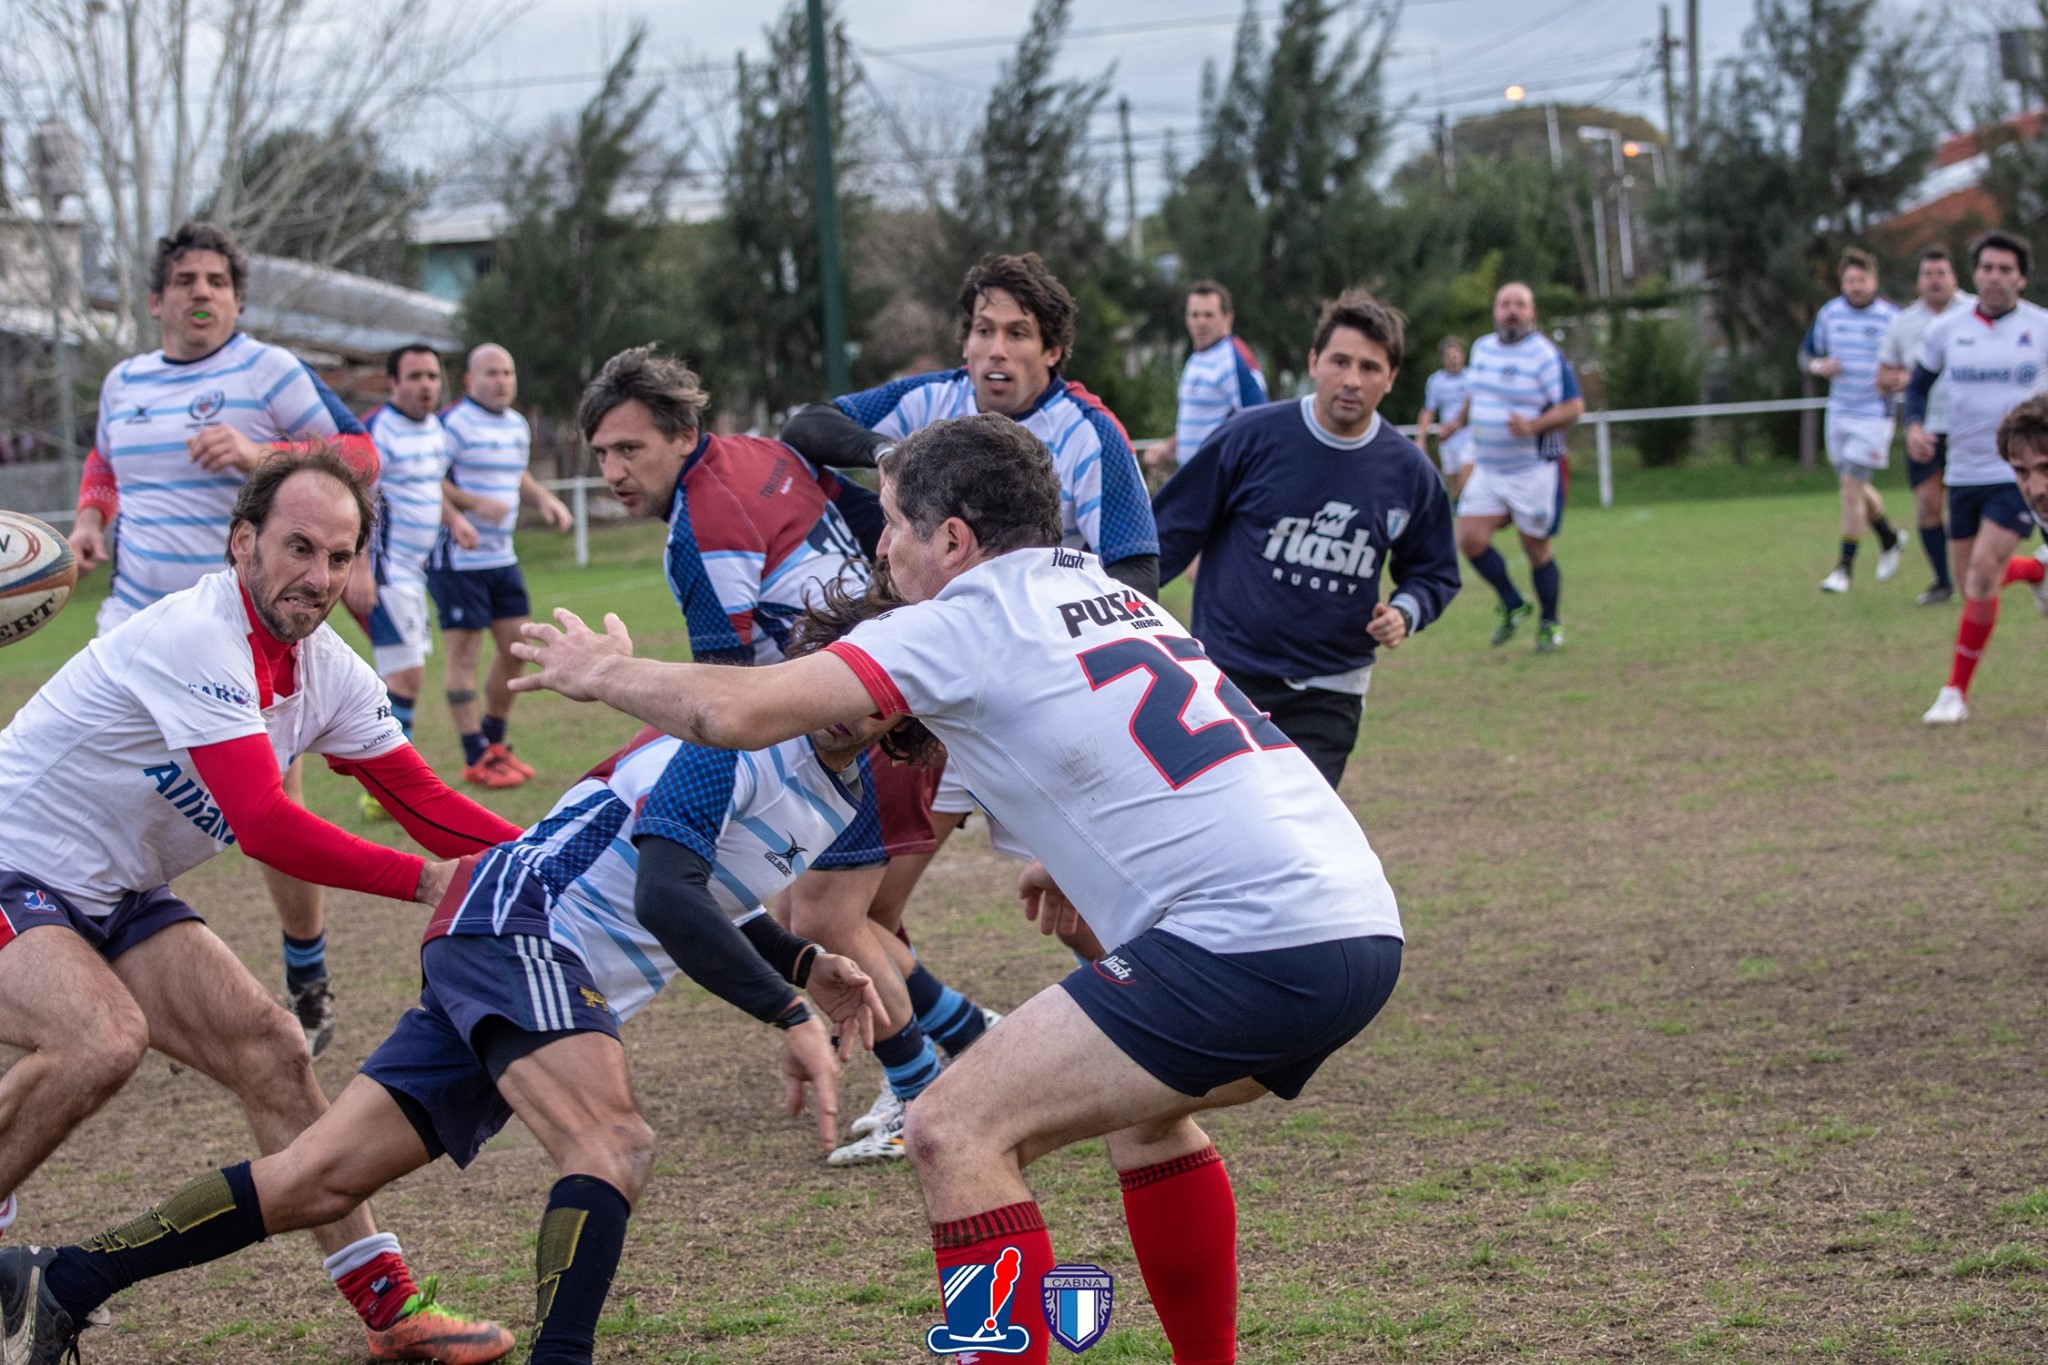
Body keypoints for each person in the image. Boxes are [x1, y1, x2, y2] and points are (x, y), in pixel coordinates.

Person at [505, 412, 1406, 1365]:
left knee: (951, 1127)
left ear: (954, 540)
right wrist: (1060, 858)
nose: (880, 545)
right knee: (1147, 1116)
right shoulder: (1105, 591)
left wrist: (602, 671)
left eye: (892, 522)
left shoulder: (961, 618)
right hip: (1356, 921)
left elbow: (734, 711)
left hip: (1246, 940)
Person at [0, 634, 913, 1365]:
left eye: (882, 692)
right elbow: (666, 892)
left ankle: (65, 1281)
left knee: (316, 1175)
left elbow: (698, 881)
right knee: (612, 1139)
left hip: (526, 943)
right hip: (527, 928)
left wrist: (797, 962)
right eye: (847, 675)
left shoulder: (837, 794)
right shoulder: (742, 732)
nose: (856, 705)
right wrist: (786, 1011)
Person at [0, 450, 523, 1362]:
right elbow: (266, 824)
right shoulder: (198, 634)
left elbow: (425, 802)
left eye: (338, 555)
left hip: (114, 893)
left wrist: (540, 863)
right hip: (12, 861)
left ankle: (391, 1315)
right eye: (297, 547)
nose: (317, 576)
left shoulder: (325, 669)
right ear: (243, 541)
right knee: (100, 1038)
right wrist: (421, 881)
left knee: (272, 1048)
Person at [578, 345, 989, 1167]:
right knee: (837, 916)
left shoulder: (704, 526)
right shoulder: (762, 455)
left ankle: (921, 1087)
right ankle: (969, 1041)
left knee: (831, 917)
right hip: (878, 683)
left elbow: (719, 695)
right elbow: (865, 519)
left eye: (631, 449)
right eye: (600, 455)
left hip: (854, 711)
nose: (614, 471)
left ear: (683, 432)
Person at [64, 221, 383, 1058]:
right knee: (97, 803)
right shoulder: (122, 380)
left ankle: (306, 969)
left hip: (245, 636)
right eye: (186, 280)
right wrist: (91, 520)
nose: (201, 292)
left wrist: (260, 452)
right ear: (156, 299)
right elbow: (105, 463)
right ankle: (79, 973)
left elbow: (359, 452)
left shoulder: (267, 370)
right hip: (134, 627)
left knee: (269, 815)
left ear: (236, 298)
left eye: (217, 280)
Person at [1154, 291, 1459, 787]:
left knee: (1290, 834)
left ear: (1392, 378)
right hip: (1226, 678)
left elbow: (1434, 571)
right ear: (1315, 362)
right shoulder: (1250, 437)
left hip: (1330, 691)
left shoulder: (1410, 474)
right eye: (1340, 361)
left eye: (1370, 367)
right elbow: (1167, 535)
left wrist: (1406, 610)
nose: (1352, 380)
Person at [1908, 230, 2048, 724]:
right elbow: (1919, 385)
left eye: (2005, 270)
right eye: (1986, 268)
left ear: (2021, 277)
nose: (1994, 277)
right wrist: (1915, 426)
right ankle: (2036, 571)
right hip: (1963, 471)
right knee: (1974, 584)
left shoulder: (2042, 327)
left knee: (1984, 572)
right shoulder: (1947, 329)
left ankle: (1954, 692)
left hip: (2020, 474)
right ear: (1976, 274)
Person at [427, 343, 573, 789]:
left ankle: (494, 742)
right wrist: (472, 506)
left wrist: (544, 498)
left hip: (502, 558)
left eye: (508, 372)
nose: (501, 380)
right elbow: (427, 479)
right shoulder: (449, 424)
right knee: (465, 655)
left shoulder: (516, 426)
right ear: (471, 380)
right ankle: (474, 755)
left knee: (517, 651)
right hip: (457, 560)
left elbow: (518, 475)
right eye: (491, 373)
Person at [351, 345, 464, 820]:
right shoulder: (375, 430)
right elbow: (354, 498)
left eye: (433, 376)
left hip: (414, 573)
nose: (426, 385)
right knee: (405, 675)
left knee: (404, 676)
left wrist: (455, 518)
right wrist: (356, 568)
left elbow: (426, 487)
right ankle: (383, 789)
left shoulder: (436, 429)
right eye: (415, 376)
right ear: (392, 383)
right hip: (384, 570)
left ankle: (384, 782)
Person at [1456, 282, 1584, 652]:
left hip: (1534, 469)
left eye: (1520, 305)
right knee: (1470, 539)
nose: (1512, 311)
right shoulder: (1481, 349)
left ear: (1532, 313)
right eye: (1505, 304)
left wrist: (1533, 426)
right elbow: (1476, 396)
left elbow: (1574, 407)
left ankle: (1549, 623)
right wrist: (1460, 429)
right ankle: (1513, 602)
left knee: (1536, 549)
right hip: (1489, 468)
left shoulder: (1546, 355)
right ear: (1495, 311)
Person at [1803, 247, 1906, 593]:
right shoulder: (1830, 314)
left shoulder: (1892, 317)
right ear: (1842, 282)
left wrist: (1900, 378)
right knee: (1854, 488)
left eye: (1861, 280)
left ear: (1874, 281)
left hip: (1874, 415)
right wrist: (1820, 366)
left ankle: (1843, 569)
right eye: (1849, 280)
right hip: (1839, 412)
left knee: (1850, 488)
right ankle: (1890, 538)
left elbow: (1918, 362)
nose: (1855, 286)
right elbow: (1807, 355)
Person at [1877, 245, 1974, 605]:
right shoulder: (1903, 323)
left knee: (1978, 504)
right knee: (1927, 506)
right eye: (1927, 274)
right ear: (1918, 281)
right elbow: (1883, 377)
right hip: (1926, 428)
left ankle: (1982, 574)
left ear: (1955, 277)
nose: (1934, 281)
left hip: (1972, 427)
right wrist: (1900, 378)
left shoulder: (1976, 311)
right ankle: (1942, 582)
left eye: (1941, 273)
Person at [1144, 280, 1268, 474]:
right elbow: (1207, 420)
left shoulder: (1234, 359)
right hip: (1193, 477)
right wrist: (1170, 447)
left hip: (1219, 481)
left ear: (1228, 319)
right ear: (1186, 319)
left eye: (1209, 315)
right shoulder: (1197, 358)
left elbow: (1261, 424)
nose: (1201, 322)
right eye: (1195, 315)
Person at [1416, 336, 1476, 498]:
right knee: (1456, 491)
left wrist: (1456, 425)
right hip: (1447, 440)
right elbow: (1428, 410)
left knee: (1467, 483)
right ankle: (1459, 520)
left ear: (1463, 355)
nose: (1453, 361)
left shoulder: (1473, 377)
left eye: (1456, 356)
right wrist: (1420, 439)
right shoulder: (1435, 381)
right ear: (1443, 359)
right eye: (1449, 357)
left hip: (1470, 437)